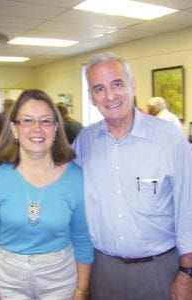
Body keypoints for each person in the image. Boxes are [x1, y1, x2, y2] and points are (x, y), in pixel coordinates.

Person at [72, 52, 192, 300]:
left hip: (159, 270)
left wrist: (187, 272)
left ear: (132, 84)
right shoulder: (84, 141)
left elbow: (188, 208)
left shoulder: (169, 138)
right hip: (102, 271)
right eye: (99, 88)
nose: (110, 96)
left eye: (117, 84)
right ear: (91, 97)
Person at [0, 89, 93, 300]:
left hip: (60, 276)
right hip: (8, 278)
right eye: (27, 121)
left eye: (46, 121)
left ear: (56, 128)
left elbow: (82, 239)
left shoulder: (75, 176)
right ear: (14, 129)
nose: (37, 128)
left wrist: (81, 292)